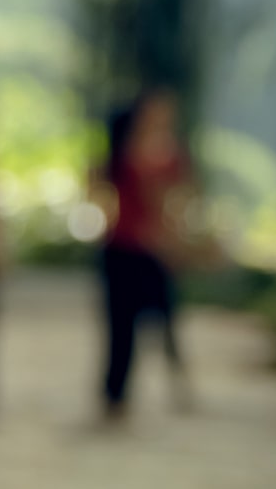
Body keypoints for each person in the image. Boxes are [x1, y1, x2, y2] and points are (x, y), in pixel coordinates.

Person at [96, 89, 192, 421]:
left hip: (156, 250)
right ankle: (115, 393)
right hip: (123, 248)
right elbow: (102, 195)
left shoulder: (171, 155)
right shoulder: (121, 154)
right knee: (120, 326)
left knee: (165, 320)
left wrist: (174, 241)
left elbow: (176, 203)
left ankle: (178, 383)